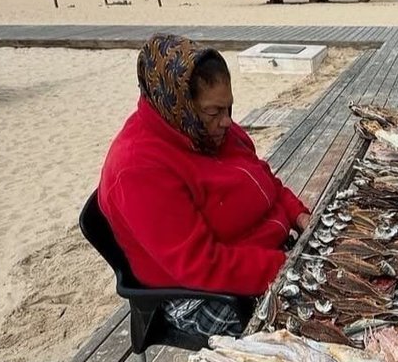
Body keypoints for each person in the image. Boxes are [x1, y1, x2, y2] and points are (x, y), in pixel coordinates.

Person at [99, 34, 310, 338]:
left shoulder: (206, 130)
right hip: (200, 295)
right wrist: (288, 265)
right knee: (325, 324)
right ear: (180, 107)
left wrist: (298, 214)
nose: (227, 122)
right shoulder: (137, 168)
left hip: (262, 256)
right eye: (214, 112)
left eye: (229, 109)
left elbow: (265, 178)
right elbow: (203, 265)